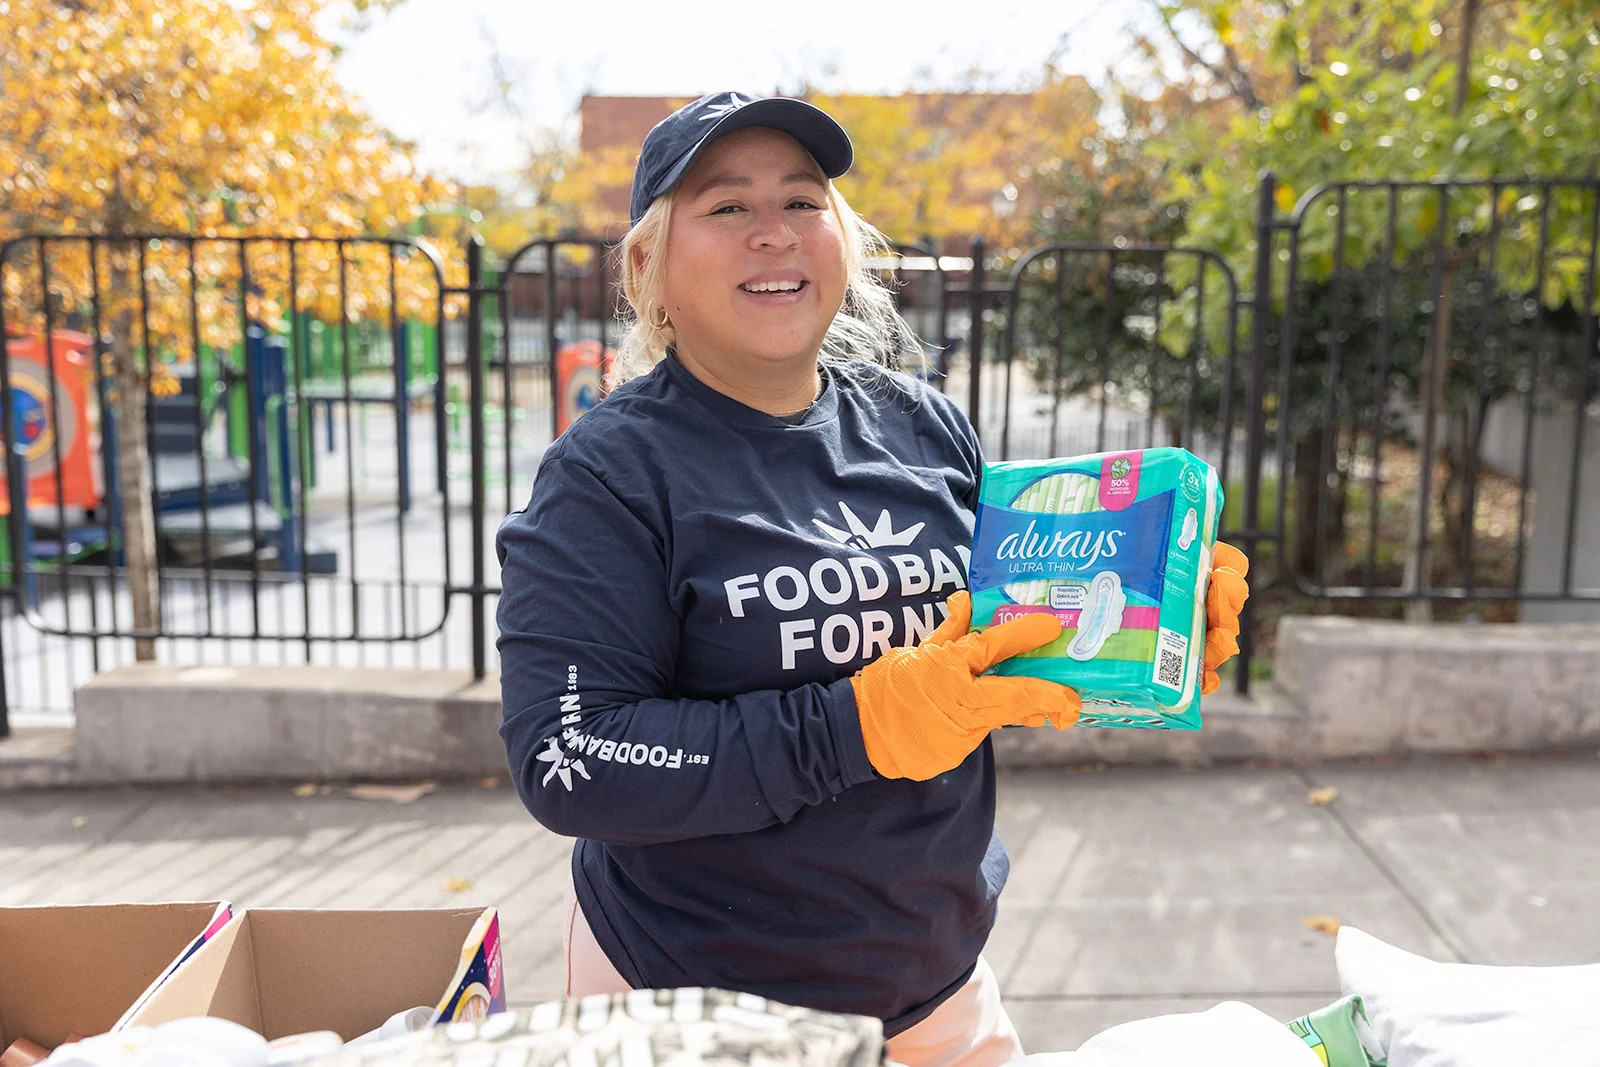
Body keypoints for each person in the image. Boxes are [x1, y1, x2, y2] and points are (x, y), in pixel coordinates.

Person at [495, 91, 1251, 1067]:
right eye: (726, 208)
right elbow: (570, 758)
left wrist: (1149, 621)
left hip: (939, 978)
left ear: (842, 241)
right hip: (699, 1003)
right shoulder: (607, 473)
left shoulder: (923, 425)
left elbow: (997, 636)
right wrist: (852, 727)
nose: (773, 233)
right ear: (650, 266)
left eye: (803, 201)